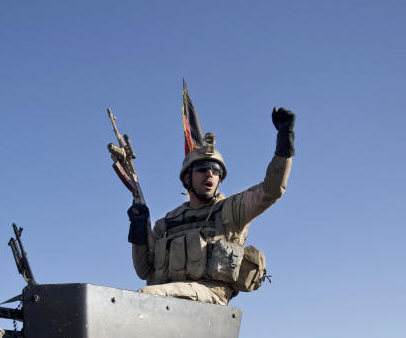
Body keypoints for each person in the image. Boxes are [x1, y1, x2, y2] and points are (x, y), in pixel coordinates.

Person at [126, 108, 295, 305]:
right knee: (143, 296)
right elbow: (143, 270)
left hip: (212, 295)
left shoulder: (230, 210)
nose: (210, 174)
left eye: (215, 171)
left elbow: (271, 190)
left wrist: (284, 142)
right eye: (202, 169)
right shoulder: (167, 223)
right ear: (187, 178)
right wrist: (138, 227)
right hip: (172, 298)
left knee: (149, 295)